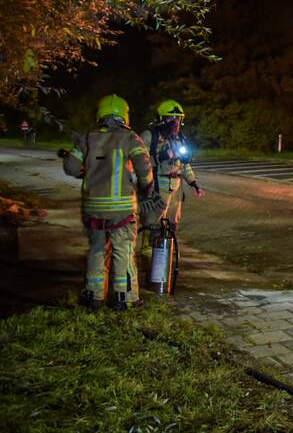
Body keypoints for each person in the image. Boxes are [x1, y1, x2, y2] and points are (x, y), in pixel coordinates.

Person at [60, 94, 161, 310]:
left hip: (93, 209)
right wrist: (146, 188)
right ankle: (125, 299)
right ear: (124, 115)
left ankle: (94, 297)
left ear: (100, 114)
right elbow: (145, 169)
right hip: (122, 210)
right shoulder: (130, 138)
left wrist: (84, 171)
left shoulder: (88, 137)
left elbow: (70, 167)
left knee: (97, 250)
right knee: (122, 251)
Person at [139, 100, 204, 245]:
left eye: (178, 119)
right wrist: (162, 156)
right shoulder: (149, 137)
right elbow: (139, 164)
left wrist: (194, 183)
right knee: (152, 226)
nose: (175, 123)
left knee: (172, 226)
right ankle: (148, 258)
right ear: (161, 119)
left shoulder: (179, 139)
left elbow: (184, 165)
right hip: (157, 187)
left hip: (176, 189)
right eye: (171, 119)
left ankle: (166, 259)